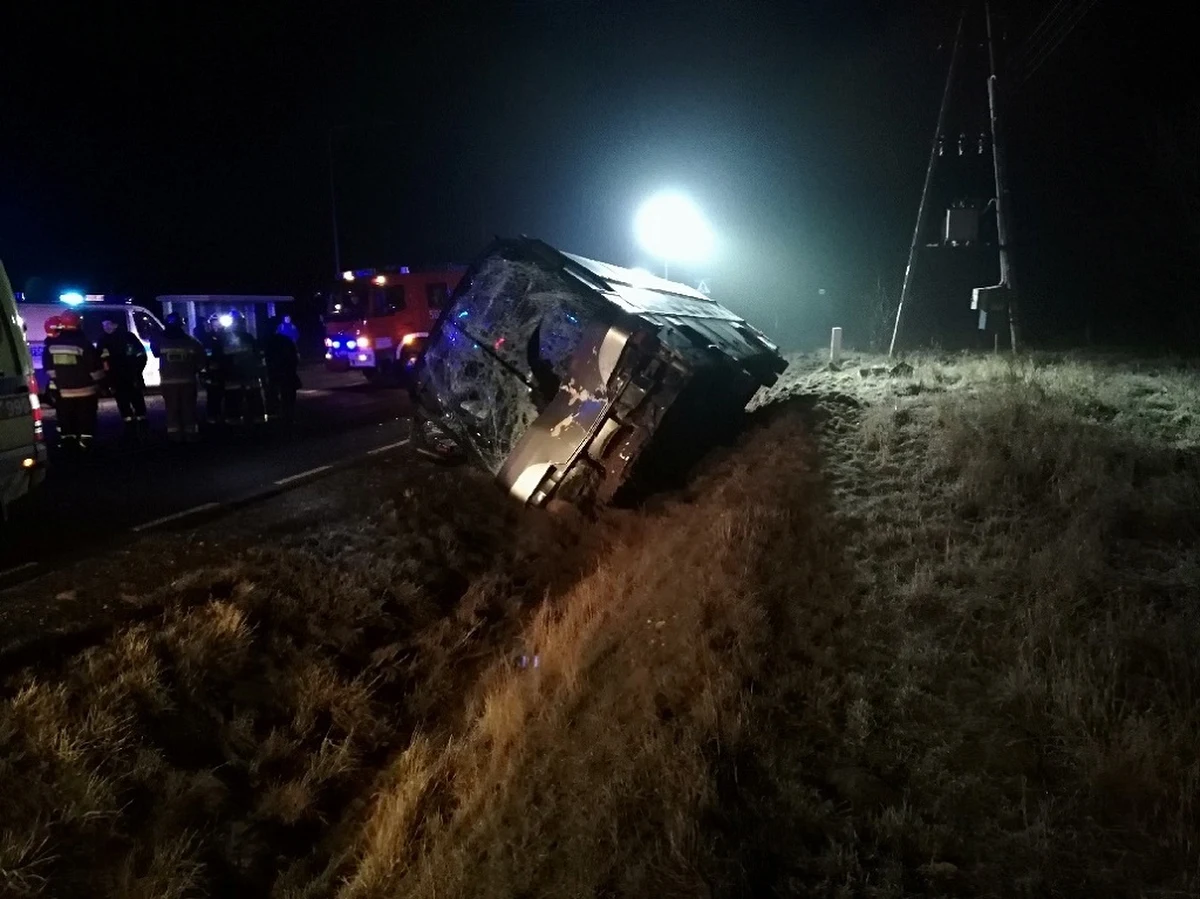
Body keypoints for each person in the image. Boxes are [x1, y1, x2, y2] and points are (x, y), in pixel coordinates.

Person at [43, 310, 104, 452]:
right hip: (86, 390)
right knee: (86, 416)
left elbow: (50, 369)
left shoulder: (52, 345)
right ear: (79, 323)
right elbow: (95, 368)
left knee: (65, 416)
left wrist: (58, 384)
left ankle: (67, 443)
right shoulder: (84, 343)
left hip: (63, 392)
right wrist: (102, 384)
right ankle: (85, 443)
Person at [156, 313, 206, 442]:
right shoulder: (192, 341)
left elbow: (155, 351)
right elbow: (201, 361)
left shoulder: (160, 340)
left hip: (168, 382)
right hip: (188, 381)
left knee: (172, 409)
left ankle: (174, 435)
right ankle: (191, 434)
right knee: (189, 408)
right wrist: (198, 372)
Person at [98, 317, 148, 440]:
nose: (106, 327)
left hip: (128, 376)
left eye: (108, 324)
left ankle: (139, 427)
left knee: (134, 400)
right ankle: (132, 427)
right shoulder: (104, 340)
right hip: (121, 377)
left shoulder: (127, 337)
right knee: (125, 402)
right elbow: (101, 361)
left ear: (115, 324)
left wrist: (137, 371)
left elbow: (141, 355)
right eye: (104, 325)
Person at [219, 311, 263, 425]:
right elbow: (257, 355)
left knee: (234, 403)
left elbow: (220, 359)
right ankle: (257, 424)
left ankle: (236, 425)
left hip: (234, 377)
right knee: (253, 402)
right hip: (248, 376)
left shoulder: (223, 339)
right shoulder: (248, 337)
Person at [264, 316, 301, 429]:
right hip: (287, 373)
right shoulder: (285, 341)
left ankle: (275, 418)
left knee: (274, 395)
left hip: (275, 373)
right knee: (288, 397)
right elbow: (294, 358)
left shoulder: (266, 341)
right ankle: (288, 418)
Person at [201, 314, 225, 425]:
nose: (216, 326)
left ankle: (221, 416)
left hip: (223, 372)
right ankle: (212, 417)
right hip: (210, 372)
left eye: (218, 323)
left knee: (224, 395)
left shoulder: (225, 337)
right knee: (212, 396)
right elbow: (203, 355)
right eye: (214, 323)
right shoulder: (206, 338)